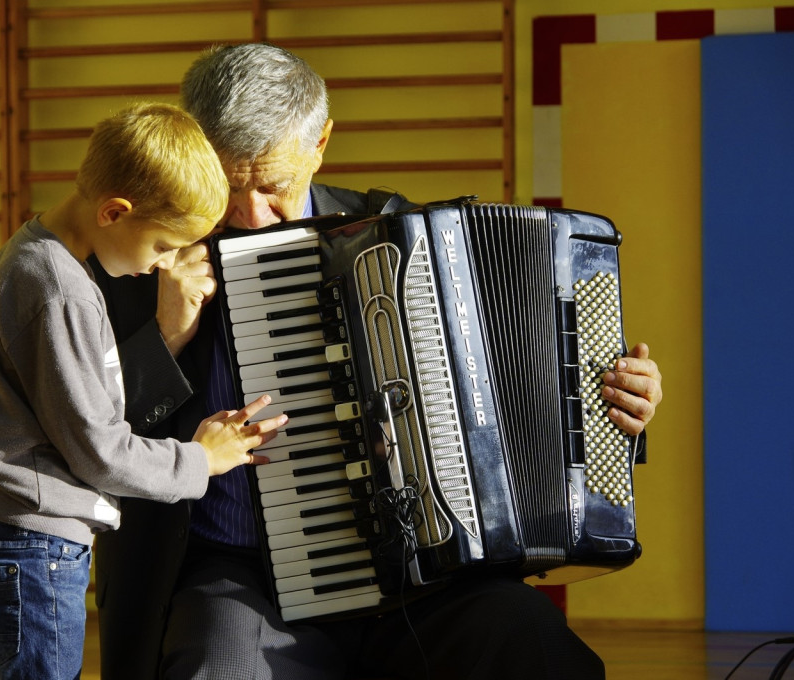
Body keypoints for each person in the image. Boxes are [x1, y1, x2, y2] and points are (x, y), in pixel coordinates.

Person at [92, 44, 664, 680]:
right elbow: (89, 428)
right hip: (244, 575)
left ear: (321, 142)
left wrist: (612, 405)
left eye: (275, 187)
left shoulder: (401, 238)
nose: (252, 216)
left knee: (536, 648)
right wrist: (165, 333)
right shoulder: (141, 251)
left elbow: (520, 401)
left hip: (419, 572)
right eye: (230, 186)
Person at [0, 101, 287, 680]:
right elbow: (100, 452)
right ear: (114, 212)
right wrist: (202, 459)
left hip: (25, 538)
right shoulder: (62, 292)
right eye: (160, 247)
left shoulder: (38, 258)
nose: (160, 266)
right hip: (34, 545)